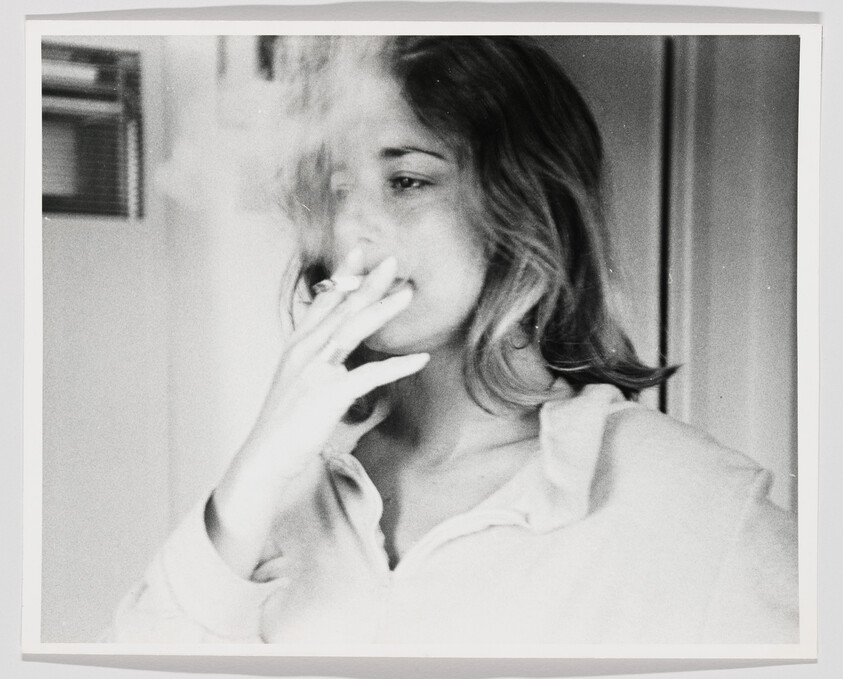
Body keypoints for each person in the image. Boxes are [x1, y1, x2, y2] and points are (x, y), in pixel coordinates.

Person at [105, 36, 798, 645]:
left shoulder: (695, 507)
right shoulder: (279, 498)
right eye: (336, 189)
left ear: (524, 201)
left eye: (405, 180)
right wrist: (254, 469)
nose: (353, 227)